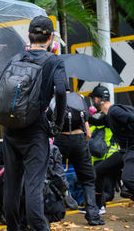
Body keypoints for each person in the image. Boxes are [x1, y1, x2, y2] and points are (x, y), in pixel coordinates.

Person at [0, 15, 68, 231]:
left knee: (12, 184)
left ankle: (13, 228)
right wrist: (58, 123)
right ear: (51, 38)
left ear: (28, 36)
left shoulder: (16, 58)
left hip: (10, 130)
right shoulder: (54, 61)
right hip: (35, 131)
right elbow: (61, 91)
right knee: (34, 185)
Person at [48, 91, 105, 226]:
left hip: (61, 140)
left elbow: (48, 122)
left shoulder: (54, 100)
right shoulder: (80, 98)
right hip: (79, 139)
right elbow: (88, 133)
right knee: (88, 180)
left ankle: (51, 213)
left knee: (50, 175)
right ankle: (93, 216)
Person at [89, 85, 134, 200]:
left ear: (97, 100)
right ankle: (99, 206)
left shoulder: (114, 111)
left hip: (131, 149)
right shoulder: (109, 116)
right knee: (99, 170)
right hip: (124, 151)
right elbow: (96, 122)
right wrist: (83, 114)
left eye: (92, 99)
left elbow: (132, 118)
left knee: (128, 180)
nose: (92, 103)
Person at [89, 121, 122, 214]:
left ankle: (99, 205)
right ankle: (99, 205)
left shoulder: (94, 126)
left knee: (106, 190)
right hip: (108, 159)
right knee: (106, 190)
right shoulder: (110, 124)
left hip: (106, 159)